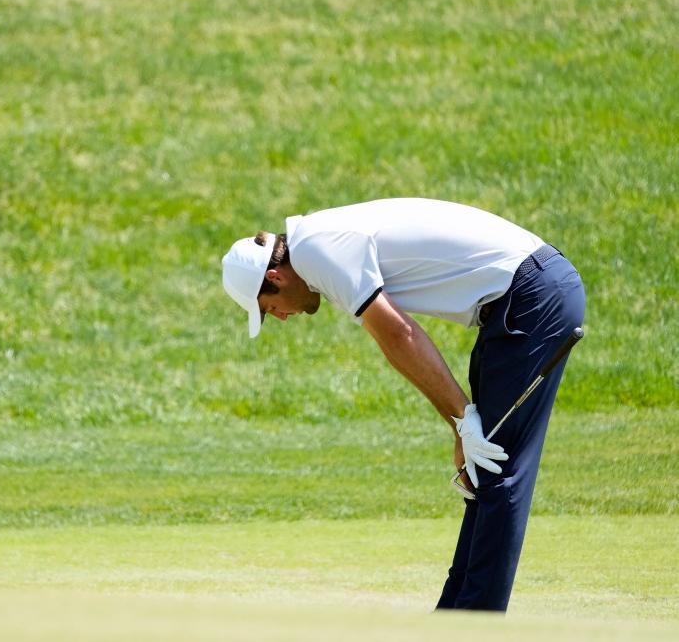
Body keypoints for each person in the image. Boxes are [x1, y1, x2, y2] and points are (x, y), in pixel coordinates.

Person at [221, 197, 586, 612]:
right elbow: (396, 341)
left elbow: (398, 336)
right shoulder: (316, 245)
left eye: (270, 308)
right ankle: (453, 617)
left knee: (498, 469)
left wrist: (464, 419)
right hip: (518, 301)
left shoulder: (316, 250)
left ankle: (472, 626)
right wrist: (461, 427)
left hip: (534, 295)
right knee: (481, 470)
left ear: (275, 277)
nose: (281, 318)